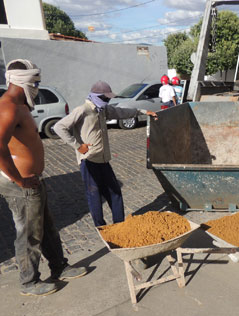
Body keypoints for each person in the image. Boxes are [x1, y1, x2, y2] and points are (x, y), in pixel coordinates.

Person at [0, 59, 87, 296]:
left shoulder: (21, 105)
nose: (38, 87)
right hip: (21, 185)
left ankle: (59, 266)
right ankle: (29, 282)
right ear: (24, 82)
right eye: (36, 82)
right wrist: (19, 179)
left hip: (33, 180)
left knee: (46, 227)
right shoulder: (8, 107)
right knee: (29, 234)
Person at [54, 81, 158, 227]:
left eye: (108, 99)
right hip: (89, 161)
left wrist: (143, 112)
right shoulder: (83, 110)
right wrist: (77, 146)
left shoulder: (102, 110)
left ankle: (119, 225)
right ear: (95, 96)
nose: (107, 101)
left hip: (104, 160)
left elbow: (121, 112)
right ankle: (101, 227)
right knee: (94, 196)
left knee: (115, 193)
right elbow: (59, 127)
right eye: (105, 98)